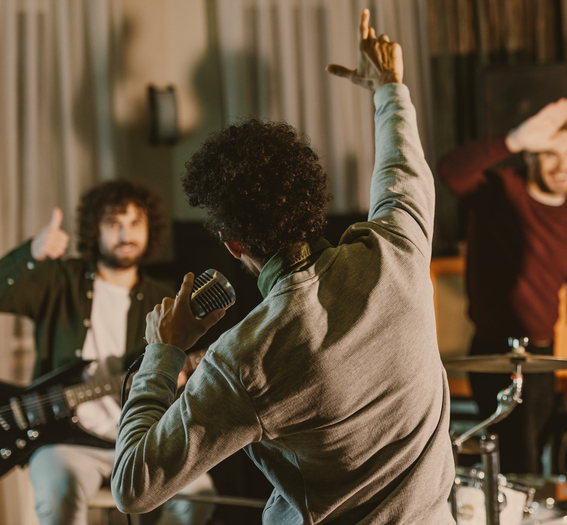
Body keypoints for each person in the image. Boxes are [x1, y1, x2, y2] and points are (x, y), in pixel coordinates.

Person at [111, 10, 455, 525]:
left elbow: (133, 488)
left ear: (232, 244)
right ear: (313, 203)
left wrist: (162, 353)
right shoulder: (396, 253)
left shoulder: (248, 357)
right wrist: (389, 88)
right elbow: (402, 167)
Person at [437, 99, 567, 473]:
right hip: (493, 351)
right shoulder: (499, 190)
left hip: (545, 352)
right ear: (530, 155)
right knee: (516, 464)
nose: (562, 164)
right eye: (549, 153)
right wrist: (512, 139)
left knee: (538, 460)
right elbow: (451, 170)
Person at [0, 179, 216, 525]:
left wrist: (176, 379)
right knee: (59, 499)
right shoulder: (61, 281)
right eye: (113, 223)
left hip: (141, 440)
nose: (124, 234)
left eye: (135, 223)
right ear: (94, 229)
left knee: (200, 498)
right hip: (63, 442)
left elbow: (179, 390)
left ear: (149, 228)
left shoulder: (167, 298)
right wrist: (33, 254)